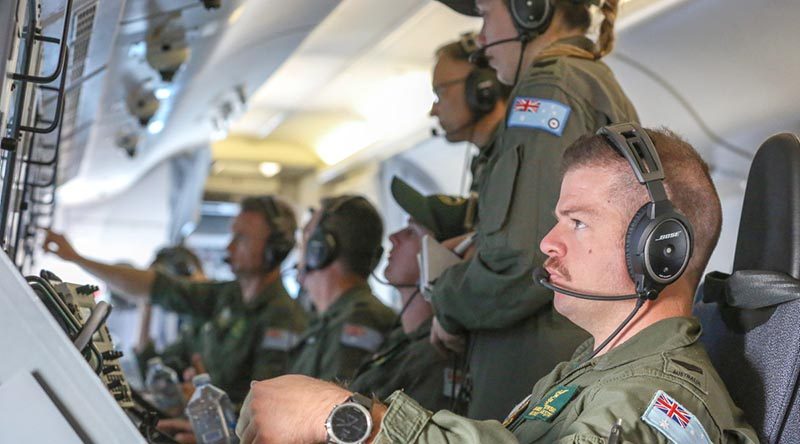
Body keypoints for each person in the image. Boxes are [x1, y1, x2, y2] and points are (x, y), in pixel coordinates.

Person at [234, 125, 759, 444]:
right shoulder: (588, 369)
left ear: (660, 251)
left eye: (577, 222)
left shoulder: (655, 403)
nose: (549, 242)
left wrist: (346, 419)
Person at [427, 0, 639, 420]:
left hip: (535, 364)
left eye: (487, 14)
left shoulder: (547, 89)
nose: (482, 41)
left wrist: (447, 300)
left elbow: (524, 255)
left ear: (531, 10)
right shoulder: (589, 79)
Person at [43, 196, 308, 406]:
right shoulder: (226, 296)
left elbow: (266, 410)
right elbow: (155, 286)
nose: (229, 248)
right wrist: (77, 258)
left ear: (275, 249)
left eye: (242, 238)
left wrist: (207, 400)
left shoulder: (283, 319)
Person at [347, 178, 470, 412]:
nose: (394, 237)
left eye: (412, 232)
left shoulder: (439, 353)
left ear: (445, 256)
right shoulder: (400, 338)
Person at [288, 195, 396, 382]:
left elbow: (333, 407)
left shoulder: (361, 320)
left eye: (306, 236)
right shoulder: (325, 320)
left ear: (319, 249)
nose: (301, 248)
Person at [430, 32, 509, 196]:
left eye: (439, 94)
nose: (433, 111)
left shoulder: (517, 151)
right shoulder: (485, 163)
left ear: (481, 87)